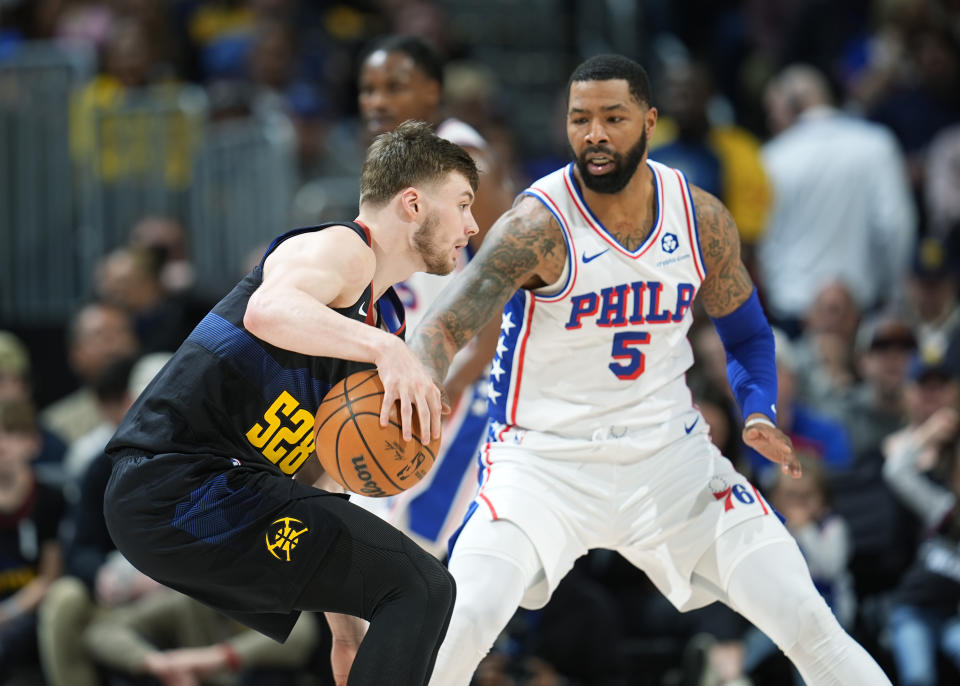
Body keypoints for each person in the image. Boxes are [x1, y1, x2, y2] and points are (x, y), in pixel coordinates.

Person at [410, 54, 892, 686]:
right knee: (461, 621)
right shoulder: (537, 224)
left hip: (669, 459)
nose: (595, 134)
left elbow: (747, 333)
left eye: (613, 117)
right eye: (580, 119)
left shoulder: (699, 218)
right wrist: (415, 383)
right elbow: (444, 324)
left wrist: (757, 410)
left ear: (650, 121)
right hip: (543, 464)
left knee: (807, 620)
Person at [102, 120, 479, 686]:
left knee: (408, 590)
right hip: (175, 483)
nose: (473, 226)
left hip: (221, 494)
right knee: (423, 586)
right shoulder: (342, 250)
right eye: (463, 203)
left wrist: (348, 634)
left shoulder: (380, 323)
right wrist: (387, 353)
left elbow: (321, 482)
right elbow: (267, 311)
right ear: (412, 203)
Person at [354, 34, 514, 557]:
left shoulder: (462, 156)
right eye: (368, 88)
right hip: (417, 374)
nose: (377, 100)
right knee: (383, 543)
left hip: (467, 379)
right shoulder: (392, 163)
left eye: (394, 87)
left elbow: (509, 272)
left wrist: (462, 374)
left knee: (420, 550)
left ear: (431, 93)